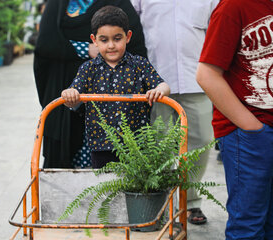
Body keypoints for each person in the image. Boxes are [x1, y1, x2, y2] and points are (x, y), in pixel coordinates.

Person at [130, 0, 219, 225]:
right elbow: (129, 20)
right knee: (159, 146)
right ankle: (161, 201)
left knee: (202, 141)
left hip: (197, 78)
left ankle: (189, 201)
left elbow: (218, 28)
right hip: (155, 80)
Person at [34, 0, 147, 168]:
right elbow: (45, 43)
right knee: (65, 170)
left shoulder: (118, 3)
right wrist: (84, 50)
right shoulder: (58, 4)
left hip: (111, 103)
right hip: (64, 96)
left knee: (111, 171)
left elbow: (135, 49)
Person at [196, 0, 273, 238]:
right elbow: (207, 74)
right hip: (250, 132)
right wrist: (252, 127)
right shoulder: (234, 5)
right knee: (248, 226)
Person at [61, 5, 170, 168]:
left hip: (136, 145)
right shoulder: (88, 69)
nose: (111, 45)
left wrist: (158, 91)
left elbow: (163, 85)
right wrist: (69, 95)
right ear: (94, 40)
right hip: (101, 146)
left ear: (128, 37)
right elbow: (73, 95)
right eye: (104, 40)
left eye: (117, 38)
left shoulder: (139, 64)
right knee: (105, 189)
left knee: (135, 189)